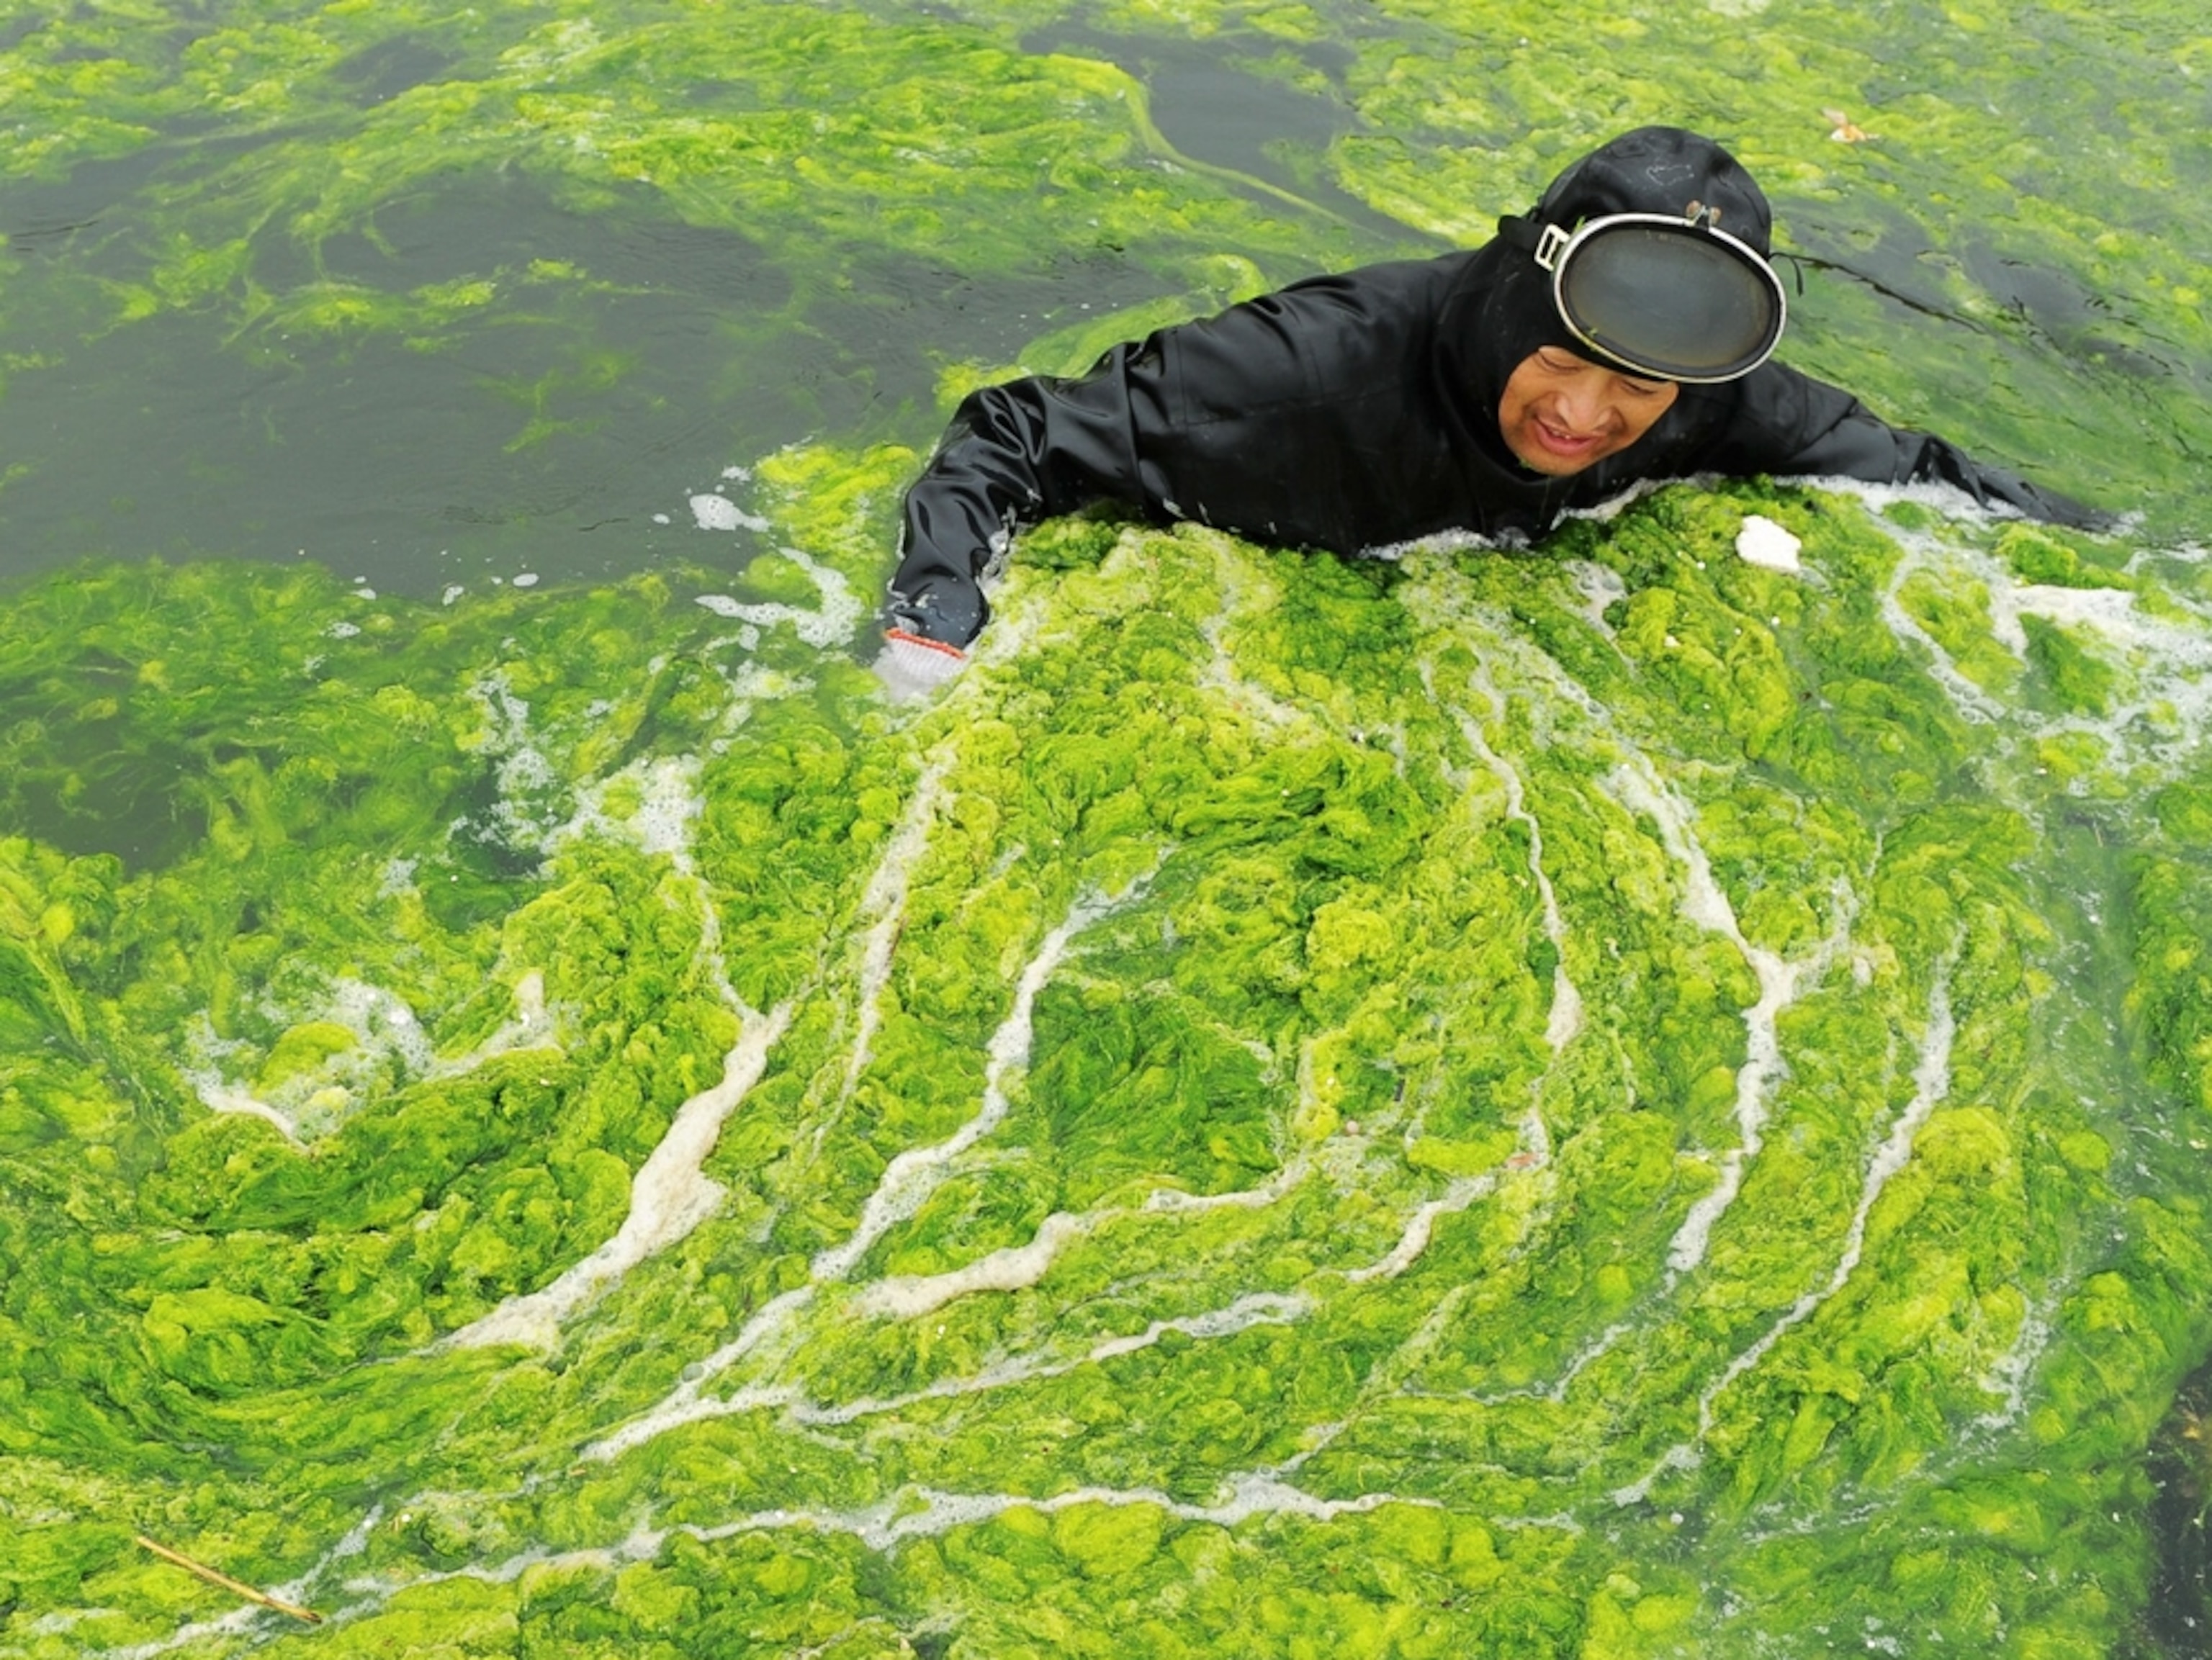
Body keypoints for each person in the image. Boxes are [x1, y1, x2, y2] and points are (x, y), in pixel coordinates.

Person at [874, 125, 2106, 693]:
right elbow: (1014, 432)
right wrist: (933, 620)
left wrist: (2113, 566)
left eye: (1636, 387)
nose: (1585, 415)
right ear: (1524, 302)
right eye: (1563, 361)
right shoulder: (1300, 375)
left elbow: (1912, 468)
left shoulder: (1708, 401)